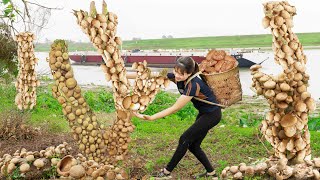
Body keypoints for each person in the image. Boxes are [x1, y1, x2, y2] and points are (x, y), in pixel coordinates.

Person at [133, 56, 222, 179]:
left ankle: (166, 172)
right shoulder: (177, 77)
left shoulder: (194, 85)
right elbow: (156, 76)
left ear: (190, 73)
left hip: (212, 115)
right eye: (176, 71)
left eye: (181, 74)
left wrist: (152, 117)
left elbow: (175, 108)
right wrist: (125, 76)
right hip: (204, 113)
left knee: (184, 139)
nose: (177, 75)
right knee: (193, 145)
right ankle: (212, 174)